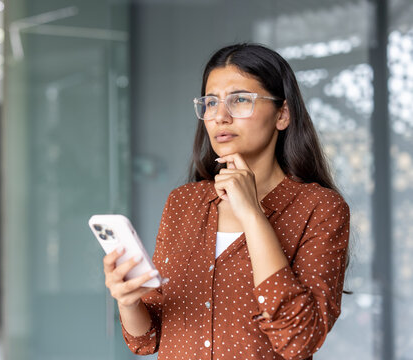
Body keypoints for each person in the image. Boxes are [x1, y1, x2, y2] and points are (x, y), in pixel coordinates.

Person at [103, 43, 350, 360]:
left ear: (282, 114)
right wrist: (128, 301)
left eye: (240, 100)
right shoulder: (183, 202)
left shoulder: (320, 208)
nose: (220, 116)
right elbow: (148, 339)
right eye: (210, 103)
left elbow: (298, 340)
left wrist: (252, 214)